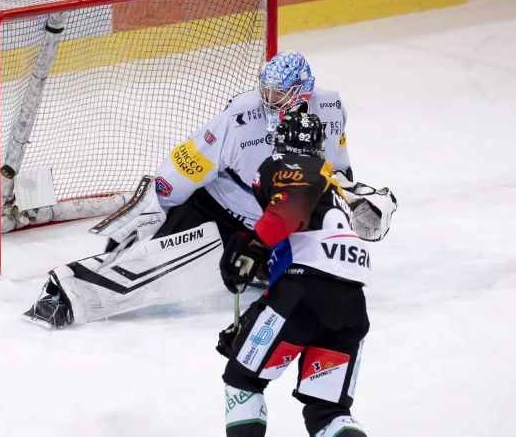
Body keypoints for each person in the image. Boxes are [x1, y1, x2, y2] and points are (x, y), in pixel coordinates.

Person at [24, 51, 393, 329]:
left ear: (302, 93)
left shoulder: (330, 108)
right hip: (217, 210)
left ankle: (268, 264)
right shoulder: (240, 119)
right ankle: (68, 294)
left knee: (319, 272)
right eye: (265, 88)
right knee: (155, 263)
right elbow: (184, 166)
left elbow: (337, 170)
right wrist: (152, 212)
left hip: (276, 222)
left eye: (277, 94)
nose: (268, 98)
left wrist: (357, 201)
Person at [217, 111, 370, 437]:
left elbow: (290, 210)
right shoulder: (334, 189)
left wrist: (251, 243)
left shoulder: (287, 164)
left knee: (242, 380)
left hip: (301, 296)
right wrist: (248, 324)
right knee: (328, 411)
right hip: (351, 307)